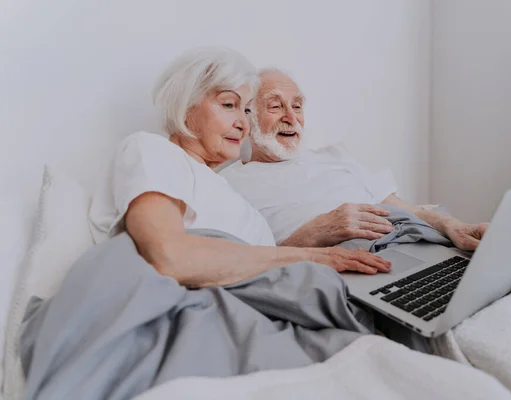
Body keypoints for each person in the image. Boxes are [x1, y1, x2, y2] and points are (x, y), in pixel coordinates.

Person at [88, 48, 391, 288]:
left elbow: (255, 259)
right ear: (186, 108)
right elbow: (169, 256)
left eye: (247, 109)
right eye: (229, 105)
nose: (243, 123)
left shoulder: (221, 186)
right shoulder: (151, 150)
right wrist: (312, 256)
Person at [220, 68, 488, 250]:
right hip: (342, 266)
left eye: (297, 106)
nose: (291, 118)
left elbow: (409, 210)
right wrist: (312, 234)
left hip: (411, 244)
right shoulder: (228, 184)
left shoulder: (335, 156)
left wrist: (455, 226)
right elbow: (242, 265)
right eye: (276, 106)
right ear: (248, 115)